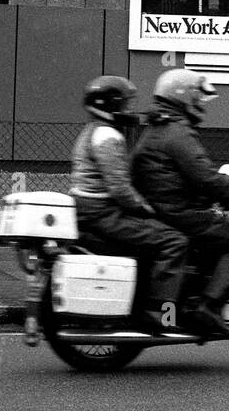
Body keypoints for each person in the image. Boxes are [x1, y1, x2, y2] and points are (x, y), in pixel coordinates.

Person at [131, 69, 229, 340]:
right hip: (180, 215)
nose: (201, 104)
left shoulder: (161, 128)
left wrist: (218, 195)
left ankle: (191, 301)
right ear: (183, 97)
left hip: (167, 210)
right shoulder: (176, 133)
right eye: (198, 97)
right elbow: (207, 179)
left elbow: (187, 180)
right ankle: (206, 306)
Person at [70, 75, 190, 334]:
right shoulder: (107, 136)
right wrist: (145, 207)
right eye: (123, 104)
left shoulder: (91, 131)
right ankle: (160, 313)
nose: (128, 110)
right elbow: (120, 188)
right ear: (110, 105)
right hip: (103, 213)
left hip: (89, 210)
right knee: (174, 241)